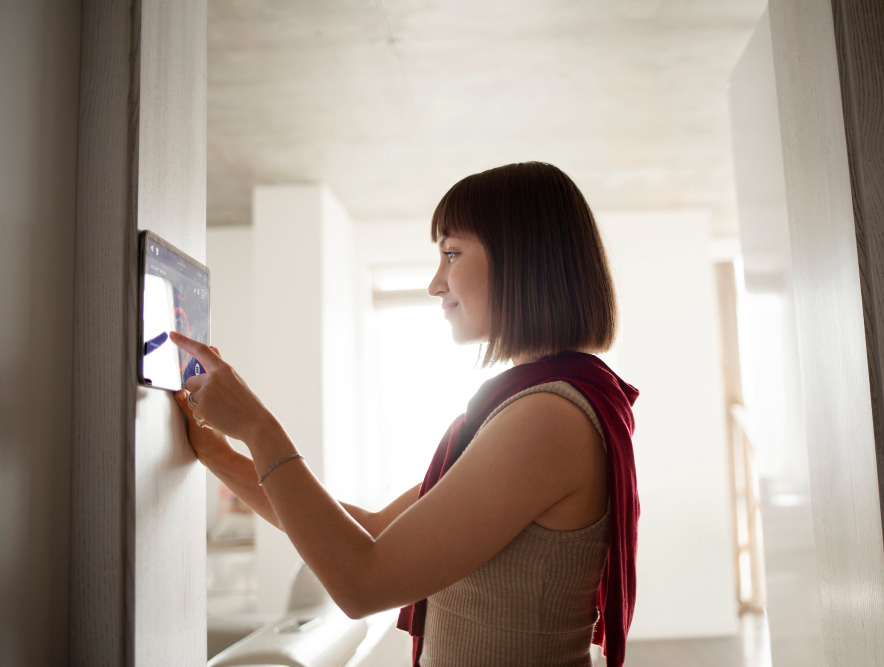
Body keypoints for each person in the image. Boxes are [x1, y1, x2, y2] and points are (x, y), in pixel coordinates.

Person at [172, 161, 640, 667]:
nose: (436, 284)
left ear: (523, 261)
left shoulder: (547, 417)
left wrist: (258, 427)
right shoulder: (537, 405)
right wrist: (217, 451)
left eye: (452, 253)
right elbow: (371, 531)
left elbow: (363, 583)